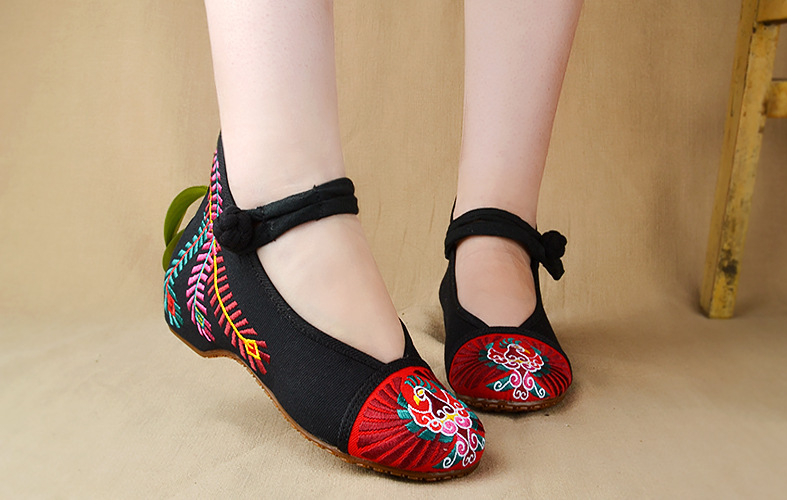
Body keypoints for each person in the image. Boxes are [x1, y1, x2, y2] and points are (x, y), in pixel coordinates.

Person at [163, 0, 583, 480]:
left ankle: (497, 220)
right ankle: (277, 202)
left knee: (500, 208)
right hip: (257, 224)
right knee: (284, 175)